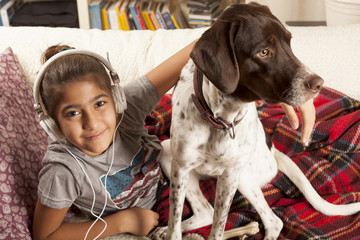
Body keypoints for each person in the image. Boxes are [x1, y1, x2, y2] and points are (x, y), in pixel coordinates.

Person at [32, 42, 316, 240]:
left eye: (99, 104)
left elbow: (202, 45)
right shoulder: (62, 171)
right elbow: (45, 235)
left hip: (177, 176)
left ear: (117, 99)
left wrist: (286, 87)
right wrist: (121, 222)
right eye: (72, 113)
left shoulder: (126, 107)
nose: (92, 123)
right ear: (52, 125)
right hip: (155, 211)